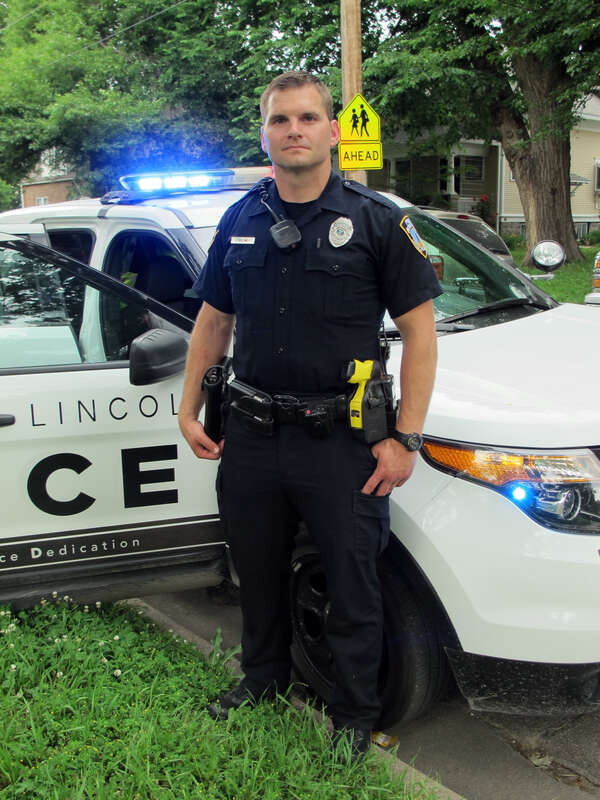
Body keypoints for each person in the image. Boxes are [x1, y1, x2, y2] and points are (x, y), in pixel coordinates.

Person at [178, 71, 441, 762]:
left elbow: (420, 333)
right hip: (254, 434)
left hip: (342, 442)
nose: (293, 130)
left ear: (331, 130)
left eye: (306, 118)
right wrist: (186, 402)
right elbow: (213, 317)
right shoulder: (241, 219)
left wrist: (405, 437)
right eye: (279, 120)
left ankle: (355, 714)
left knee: (354, 585)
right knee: (257, 573)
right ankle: (262, 680)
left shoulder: (377, 219)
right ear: (265, 133)